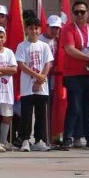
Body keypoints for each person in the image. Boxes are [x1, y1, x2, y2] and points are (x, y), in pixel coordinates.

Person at [63, 0, 89, 149]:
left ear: (87, 13)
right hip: (73, 75)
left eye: (82, 12)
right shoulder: (68, 29)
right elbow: (70, 50)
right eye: (76, 12)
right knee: (75, 108)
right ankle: (67, 139)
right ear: (72, 14)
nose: (79, 15)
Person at [16, 16, 54, 152]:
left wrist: (41, 79)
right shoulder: (22, 45)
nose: (34, 31)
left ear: (40, 30)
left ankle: (40, 140)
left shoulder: (44, 46)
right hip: (27, 87)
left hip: (42, 87)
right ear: (26, 30)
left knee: (41, 115)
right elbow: (21, 64)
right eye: (31, 28)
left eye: (36, 28)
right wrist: (36, 76)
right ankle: (25, 140)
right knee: (26, 114)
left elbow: (47, 63)